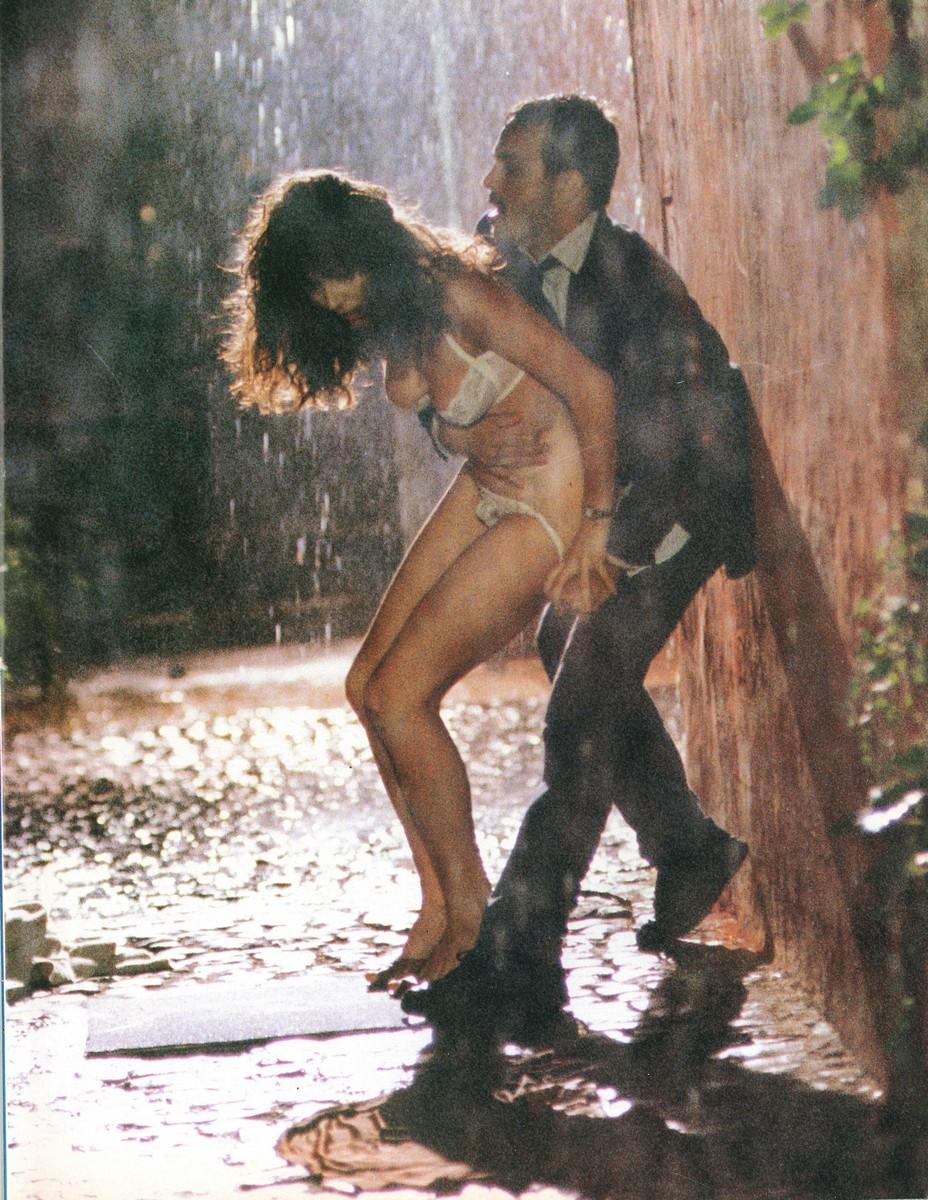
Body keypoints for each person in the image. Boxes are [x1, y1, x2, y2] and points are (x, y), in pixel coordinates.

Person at [401, 95, 755, 1040]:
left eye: (513, 167)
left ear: (570, 189)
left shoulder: (637, 280)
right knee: (570, 653)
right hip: (600, 510)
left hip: (676, 512)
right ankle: (689, 848)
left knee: (578, 712)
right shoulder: (499, 264)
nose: (490, 183)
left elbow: (685, 439)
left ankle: (519, 958)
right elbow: (437, 380)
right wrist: (451, 427)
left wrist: (609, 551)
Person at [222, 169, 618, 984]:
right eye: (317, 292)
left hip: (550, 496)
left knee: (403, 697)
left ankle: (474, 919)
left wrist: (596, 525)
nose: (335, 303)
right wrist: (461, 435)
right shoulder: (391, 309)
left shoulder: (459, 292)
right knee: (366, 687)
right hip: (489, 483)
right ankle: (436, 904)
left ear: (366, 250)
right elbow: (446, 404)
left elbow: (591, 386)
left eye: (338, 281)